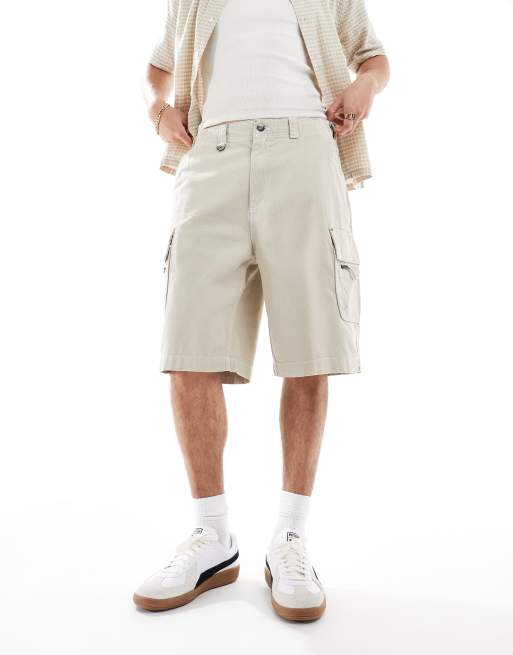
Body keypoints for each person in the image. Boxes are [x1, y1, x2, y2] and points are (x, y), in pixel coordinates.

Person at [133, 0, 389, 621]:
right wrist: (159, 110)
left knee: (309, 349)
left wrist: (362, 89)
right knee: (188, 347)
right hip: (210, 154)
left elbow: (374, 58)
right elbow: (159, 67)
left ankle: (291, 538)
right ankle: (212, 535)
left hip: (305, 150)